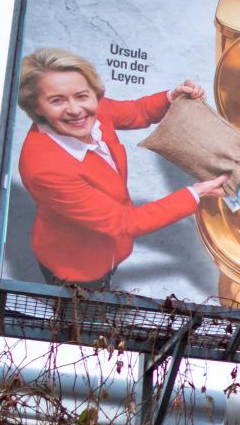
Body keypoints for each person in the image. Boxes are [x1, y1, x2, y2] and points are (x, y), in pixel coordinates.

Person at [16, 47, 227, 290]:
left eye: (82, 96)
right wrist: (195, 194)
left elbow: (137, 111)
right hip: (78, 265)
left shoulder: (93, 109)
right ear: (36, 107)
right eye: (57, 100)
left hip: (109, 247)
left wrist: (171, 97)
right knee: (84, 310)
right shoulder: (45, 169)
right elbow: (124, 223)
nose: (75, 110)